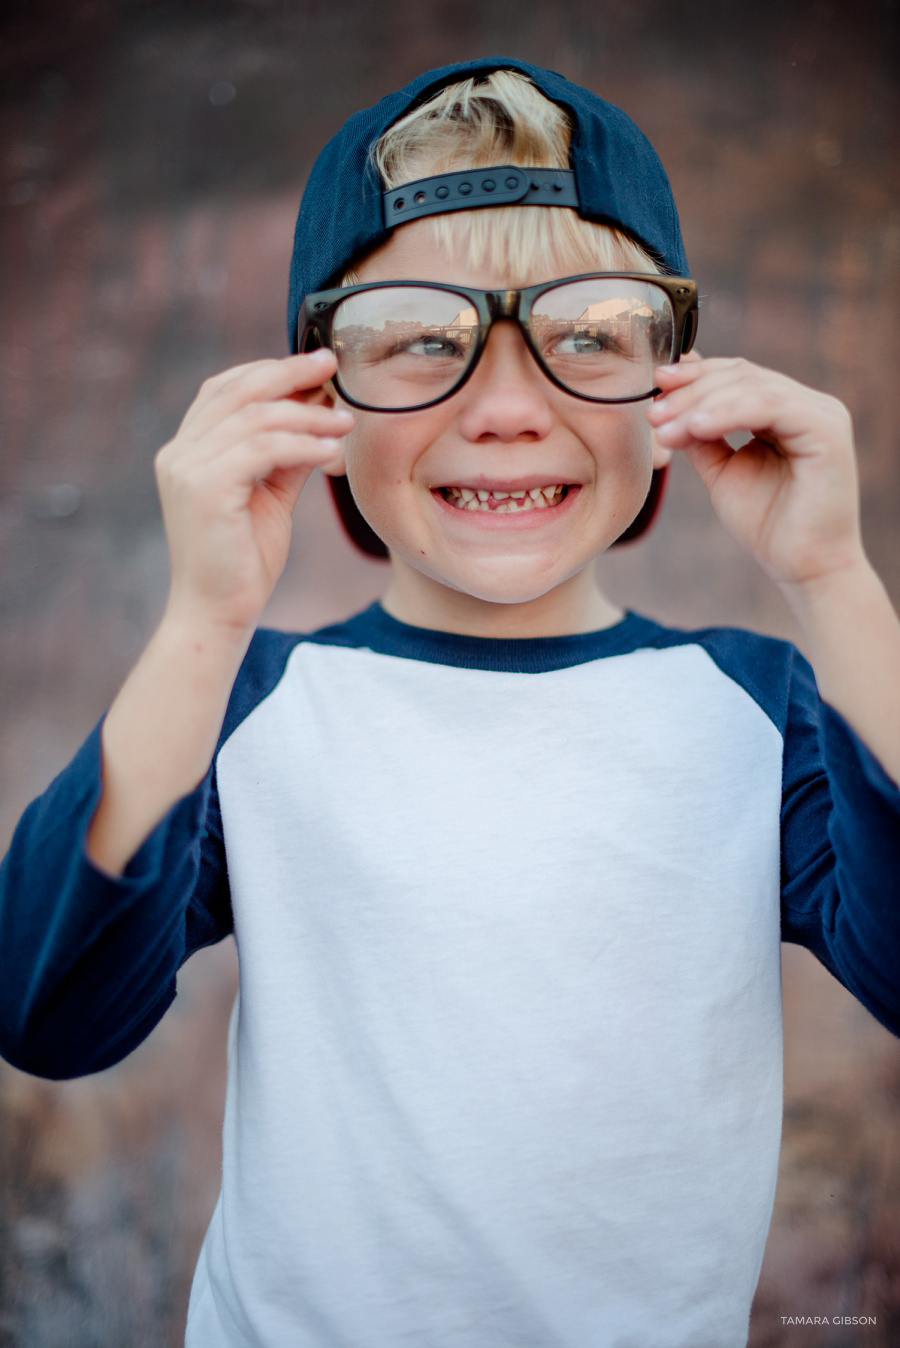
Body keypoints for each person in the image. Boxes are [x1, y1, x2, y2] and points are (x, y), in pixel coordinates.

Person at [1, 56, 898, 1348]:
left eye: (588, 336)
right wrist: (206, 615)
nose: (508, 408)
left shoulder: (759, 712)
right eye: (423, 340)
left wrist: (833, 575)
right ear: (315, 393)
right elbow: (46, 1015)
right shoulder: (251, 702)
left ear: (674, 391)